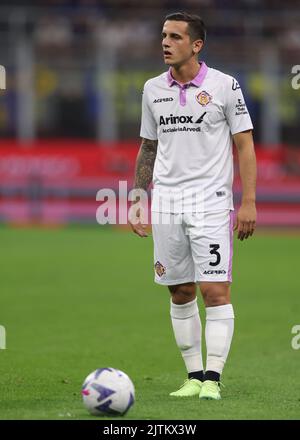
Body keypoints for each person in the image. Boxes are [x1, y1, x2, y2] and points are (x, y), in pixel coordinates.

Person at [129, 12, 256, 400]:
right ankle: (193, 376)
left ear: (196, 45)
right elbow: (149, 145)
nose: (165, 42)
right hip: (167, 203)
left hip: (211, 204)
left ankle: (213, 381)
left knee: (215, 291)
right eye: (163, 35)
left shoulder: (224, 86)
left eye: (175, 37)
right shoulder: (152, 89)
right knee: (180, 291)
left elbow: (245, 145)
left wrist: (248, 201)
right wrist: (137, 196)